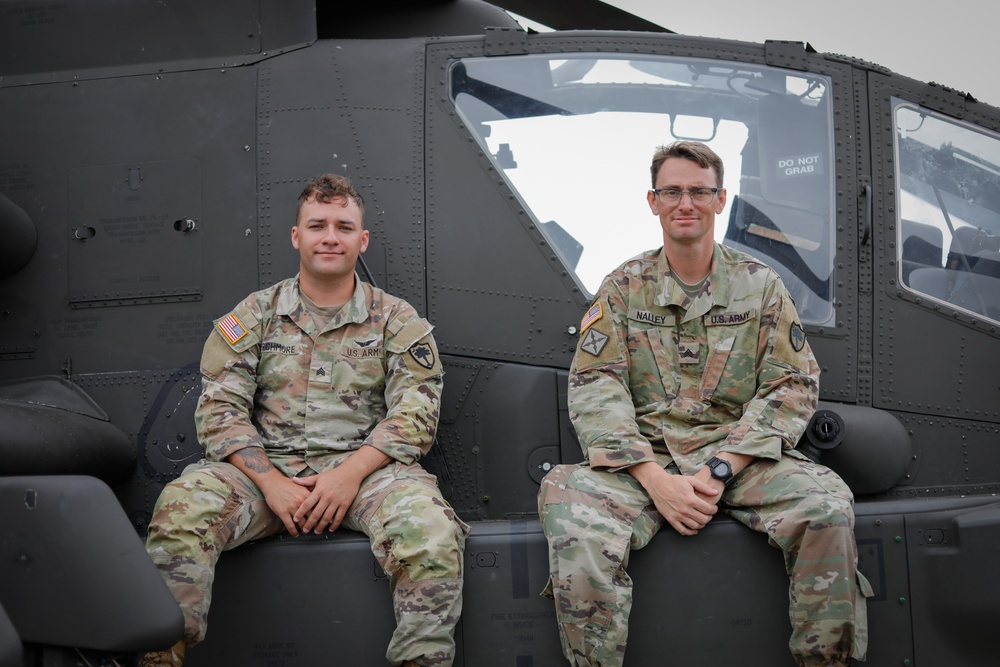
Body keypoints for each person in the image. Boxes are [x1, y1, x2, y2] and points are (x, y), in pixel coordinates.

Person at [537, 141, 871, 667]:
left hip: (739, 457)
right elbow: (595, 385)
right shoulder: (623, 288)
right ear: (653, 201)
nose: (685, 203)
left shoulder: (759, 287)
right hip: (644, 462)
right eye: (672, 191)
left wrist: (720, 467)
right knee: (573, 511)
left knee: (826, 507)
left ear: (720, 200)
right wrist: (655, 480)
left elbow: (792, 384)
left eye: (698, 191)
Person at [140, 174, 468, 667]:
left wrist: (348, 476)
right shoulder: (255, 314)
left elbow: (416, 413)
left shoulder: (397, 320)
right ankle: (159, 657)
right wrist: (270, 483)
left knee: (432, 530)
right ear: (297, 236)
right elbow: (219, 409)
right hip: (263, 475)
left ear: (362, 239)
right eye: (317, 225)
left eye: (343, 226)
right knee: (183, 506)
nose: (330, 237)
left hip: (366, 475)